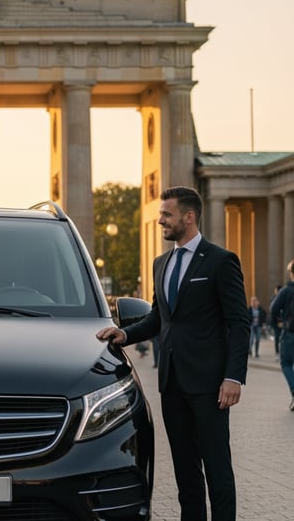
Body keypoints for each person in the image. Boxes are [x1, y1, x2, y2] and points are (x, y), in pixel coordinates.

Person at [96, 186, 249, 521]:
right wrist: (125, 334)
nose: (160, 219)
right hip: (172, 383)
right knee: (185, 471)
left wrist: (233, 376)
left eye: (167, 214)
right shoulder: (160, 263)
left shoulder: (221, 261)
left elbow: (240, 322)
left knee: (217, 470)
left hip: (211, 385)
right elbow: (157, 317)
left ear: (188, 217)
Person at [268, 262, 294, 411]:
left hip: (290, 332)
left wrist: (277, 323)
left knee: (286, 363)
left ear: (291, 272)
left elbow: (273, 309)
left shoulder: (286, 291)